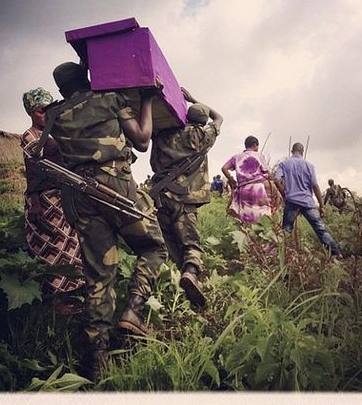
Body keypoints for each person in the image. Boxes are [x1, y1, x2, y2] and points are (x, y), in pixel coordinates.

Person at [48, 62, 168, 381]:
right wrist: (145, 98)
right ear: (87, 78)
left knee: (99, 275)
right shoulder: (108, 99)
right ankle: (134, 311)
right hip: (116, 186)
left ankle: (96, 360)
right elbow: (142, 140)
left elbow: (50, 150)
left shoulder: (54, 116)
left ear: (60, 89)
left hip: (79, 196)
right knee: (154, 247)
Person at [150, 87, 223, 307]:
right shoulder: (201, 135)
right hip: (185, 200)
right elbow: (219, 118)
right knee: (191, 244)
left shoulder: (162, 134)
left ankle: (172, 288)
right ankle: (191, 273)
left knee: (167, 244)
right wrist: (194, 99)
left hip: (160, 197)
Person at [21, 87, 84, 312]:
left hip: (62, 196)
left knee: (69, 243)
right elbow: (32, 171)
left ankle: (71, 294)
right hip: (44, 199)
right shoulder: (30, 136)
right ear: (30, 112)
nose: (44, 115)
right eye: (40, 111)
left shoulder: (54, 132)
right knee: (51, 247)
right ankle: (56, 301)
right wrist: (36, 205)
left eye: (48, 110)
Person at [274, 142, 342, 256]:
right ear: (302, 151)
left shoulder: (284, 164)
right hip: (308, 202)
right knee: (320, 229)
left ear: (292, 151)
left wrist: (284, 194)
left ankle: (282, 257)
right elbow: (315, 186)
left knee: (286, 230)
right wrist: (321, 206)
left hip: (291, 201)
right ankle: (336, 254)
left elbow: (276, 180)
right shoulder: (309, 166)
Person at [222, 136, 272, 224]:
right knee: (262, 214)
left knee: (246, 215)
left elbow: (224, 168)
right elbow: (269, 174)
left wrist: (231, 179)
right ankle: (260, 235)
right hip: (258, 189)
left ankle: (246, 233)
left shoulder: (237, 157)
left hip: (243, 189)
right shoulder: (259, 156)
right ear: (255, 145)